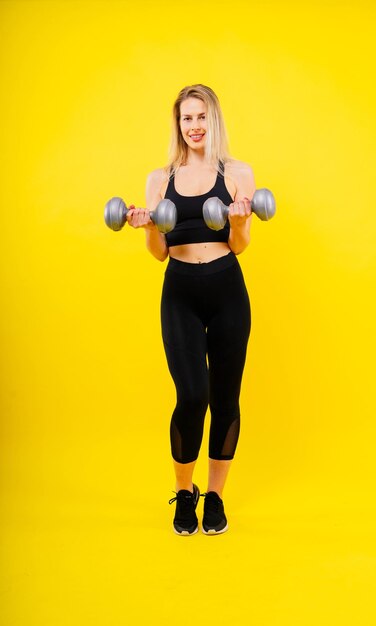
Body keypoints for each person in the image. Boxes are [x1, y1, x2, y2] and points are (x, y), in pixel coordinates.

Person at [126, 84, 255, 536]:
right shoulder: (158, 179)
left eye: (201, 117)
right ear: (177, 124)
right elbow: (159, 254)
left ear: (212, 120)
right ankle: (185, 492)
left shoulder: (238, 172)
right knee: (191, 396)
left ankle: (216, 496)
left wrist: (239, 220)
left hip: (227, 290)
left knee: (225, 398)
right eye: (186, 118)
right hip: (180, 290)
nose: (194, 126)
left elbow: (238, 246)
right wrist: (146, 227)